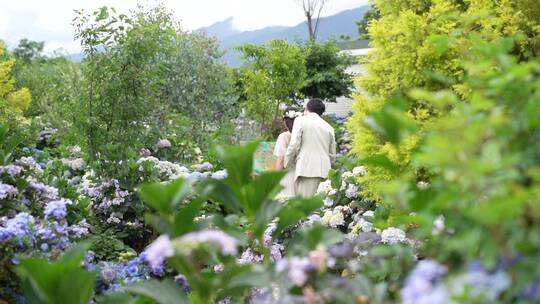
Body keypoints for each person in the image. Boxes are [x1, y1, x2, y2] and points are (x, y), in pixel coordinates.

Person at [285, 99, 336, 197]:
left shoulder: (300, 120)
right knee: (322, 208)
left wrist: (287, 162)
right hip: (325, 171)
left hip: (307, 169)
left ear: (306, 108)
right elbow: (332, 154)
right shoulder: (329, 127)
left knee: (305, 207)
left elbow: (294, 144)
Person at [274, 107, 302, 198]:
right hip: (302, 174)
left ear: (285, 121)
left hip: (288, 176)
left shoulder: (284, 137)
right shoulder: (303, 135)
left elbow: (281, 159)